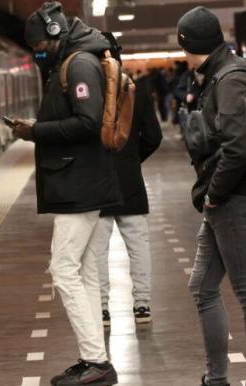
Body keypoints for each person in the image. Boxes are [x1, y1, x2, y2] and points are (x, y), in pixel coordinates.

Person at [14, 1, 121, 386]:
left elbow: (88, 121)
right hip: (82, 181)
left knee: (63, 270)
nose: (38, 52)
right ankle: (94, 359)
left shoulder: (78, 65)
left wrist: (35, 131)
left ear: (56, 34)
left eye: (41, 44)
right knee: (87, 272)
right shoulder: (72, 61)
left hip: (81, 184)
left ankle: (96, 361)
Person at [177, 6, 246, 386]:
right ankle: (216, 378)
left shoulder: (230, 79)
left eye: (183, 45)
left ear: (192, 44)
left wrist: (215, 195)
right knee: (201, 286)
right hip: (226, 198)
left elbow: (238, 149)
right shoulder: (219, 73)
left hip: (237, 198)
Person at [94, 37, 162, 327]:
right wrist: (132, 158)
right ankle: (142, 305)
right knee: (138, 244)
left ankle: (102, 309)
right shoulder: (136, 89)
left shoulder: (87, 92)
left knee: (97, 249)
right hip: (130, 180)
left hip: (97, 182)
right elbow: (154, 137)